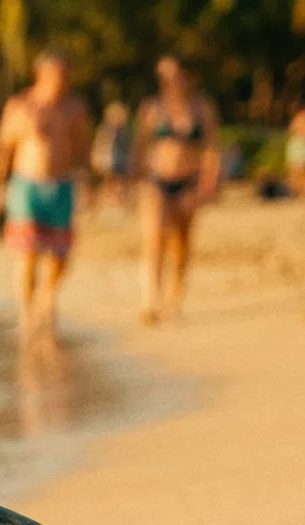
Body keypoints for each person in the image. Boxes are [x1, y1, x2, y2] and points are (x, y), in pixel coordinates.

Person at [0, 49, 92, 338]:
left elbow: (83, 150)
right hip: (26, 185)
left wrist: (90, 182)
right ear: (41, 74)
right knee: (28, 252)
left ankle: (47, 296)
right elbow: (4, 151)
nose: (63, 80)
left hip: (61, 185)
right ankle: (26, 312)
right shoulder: (20, 106)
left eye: (66, 74)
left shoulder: (74, 108)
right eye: (58, 74)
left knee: (61, 253)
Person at [130, 55, 221, 325]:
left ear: (187, 77)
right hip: (156, 180)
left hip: (188, 182)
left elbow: (212, 149)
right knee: (154, 238)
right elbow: (139, 146)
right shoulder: (152, 108)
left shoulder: (202, 108)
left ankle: (175, 299)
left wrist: (208, 184)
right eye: (164, 77)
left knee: (181, 242)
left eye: (175, 76)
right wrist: (132, 181)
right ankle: (150, 299)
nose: (170, 82)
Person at [89, 101, 134, 216]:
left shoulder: (124, 131)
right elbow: (99, 144)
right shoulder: (105, 130)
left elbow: (128, 147)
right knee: (109, 183)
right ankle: (105, 205)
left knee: (120, 183)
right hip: (108, 161)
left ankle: (121, 205)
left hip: (120, 161)